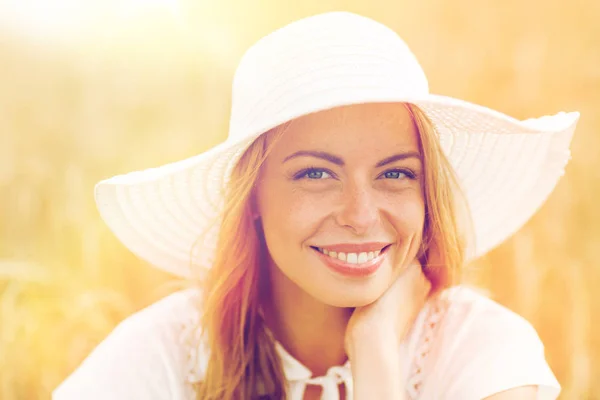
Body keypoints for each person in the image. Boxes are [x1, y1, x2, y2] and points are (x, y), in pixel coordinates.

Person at [52, 11, 580, 400]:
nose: (361, 214)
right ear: (252, 198)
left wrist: (376, 358)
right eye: (316, 174)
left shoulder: (484, 353)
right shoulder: (168, 351)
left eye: (395, 173)